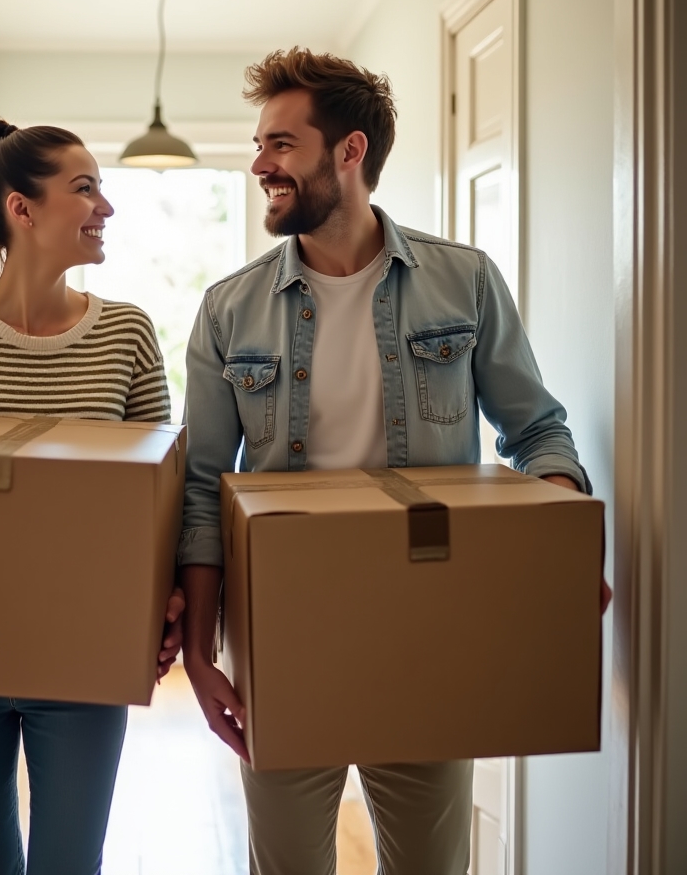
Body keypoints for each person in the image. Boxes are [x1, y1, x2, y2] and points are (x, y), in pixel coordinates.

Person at [177, 48, 610, 875]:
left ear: (350, 152)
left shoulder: (465, 283)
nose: (260, 164)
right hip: (282, 630)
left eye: (280, 144)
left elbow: (538, 431)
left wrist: (562, 545)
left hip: (432, 626)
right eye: (260, 144)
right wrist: (202, 655)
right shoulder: (228, 309)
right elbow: (202, 490)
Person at [0, 119, 185, 875]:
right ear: (22, 208)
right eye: (86, 188)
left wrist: (171, 601)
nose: (106, 206)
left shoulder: (128, 336)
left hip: (83, 656)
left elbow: (163, 502)